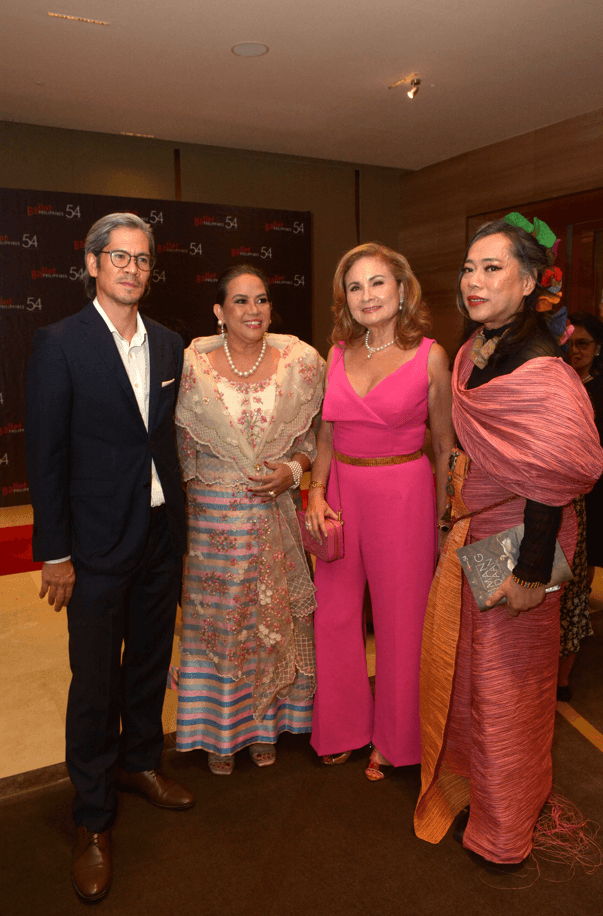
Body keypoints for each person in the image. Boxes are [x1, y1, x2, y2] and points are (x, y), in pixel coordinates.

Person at [413, 217, 603, 865]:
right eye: (469, 267)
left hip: (524, 538)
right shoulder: (476, 347)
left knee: (508, 687)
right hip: (481, 527)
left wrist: (529, 575)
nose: (473, 280)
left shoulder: (541, 367)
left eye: (492, 268)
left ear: (527, 283)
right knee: (472, 671)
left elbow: (553, 478)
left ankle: (503, 829)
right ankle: (477, 790)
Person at [25, 213, 193, 901]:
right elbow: (45, 455)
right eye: (118, 257)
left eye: (142, 258)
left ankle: (140, 761)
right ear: (92, 264)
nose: (132, 268)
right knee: (95, 683)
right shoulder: (59, 343)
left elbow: (162, 440)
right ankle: (92, 817)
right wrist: (55, 553)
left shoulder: (170, 343)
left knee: (149, 661)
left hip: (158, 533)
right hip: (92, 545)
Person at [305, 242, 455, 780]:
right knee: (334, 615)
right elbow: (326, 434)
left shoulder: (431, 356)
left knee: (401, 621)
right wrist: (316, 491)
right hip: (342, 492)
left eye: (377, 283)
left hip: (404, 494)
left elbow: (445, 447)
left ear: (401, 289)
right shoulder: (337, 353)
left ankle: (396, 738)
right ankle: (342, 726)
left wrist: (445, 521)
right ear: (344, 298)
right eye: (355, 286)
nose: (366, 295)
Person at [173, 264, 324, 775]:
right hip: (212, 526)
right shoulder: (190, 366)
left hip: (274, 517)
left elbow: (313, 440)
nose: (253, 310)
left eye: (261, 299)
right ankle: (219, 734)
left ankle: (266, 728)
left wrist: (292, 471)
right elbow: (180, 448)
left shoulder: (301, 363)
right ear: (219, 311)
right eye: (240, 301)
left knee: (271, 622)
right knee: (221, 626)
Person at [557, 312, 603, 698]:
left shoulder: (597, 388)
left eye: (583, 344)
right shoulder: (554, 382)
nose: (576, 351)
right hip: (556, 493)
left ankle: (563, 673)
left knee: (576, 580)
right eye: (570, 344)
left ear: (597, 348)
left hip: (591, 492)